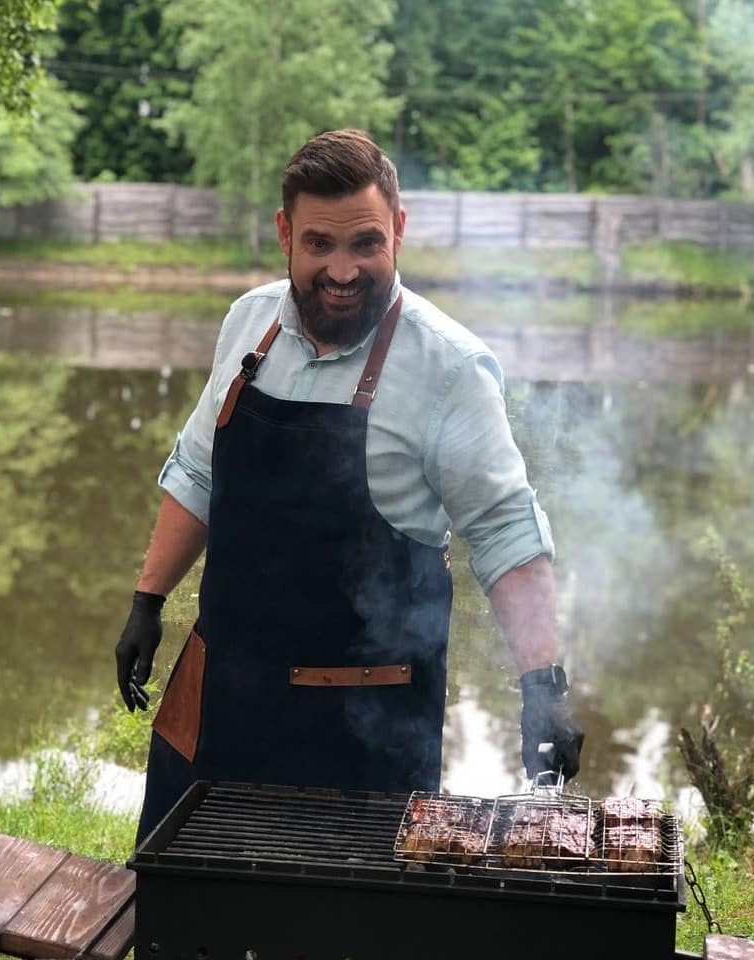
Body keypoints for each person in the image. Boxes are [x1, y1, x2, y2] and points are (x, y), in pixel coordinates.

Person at [116, 129, 584, 845]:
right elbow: (199, 471)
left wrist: (542, 685)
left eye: (365, 244)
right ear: (285, 235)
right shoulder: (250, 323)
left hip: (361, 740)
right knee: (188, 920)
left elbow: (504, 533)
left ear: (398, 229)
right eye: (319, 246)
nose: (342, 271)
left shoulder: (449, 369)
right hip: (219, 708)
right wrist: (147, 600)